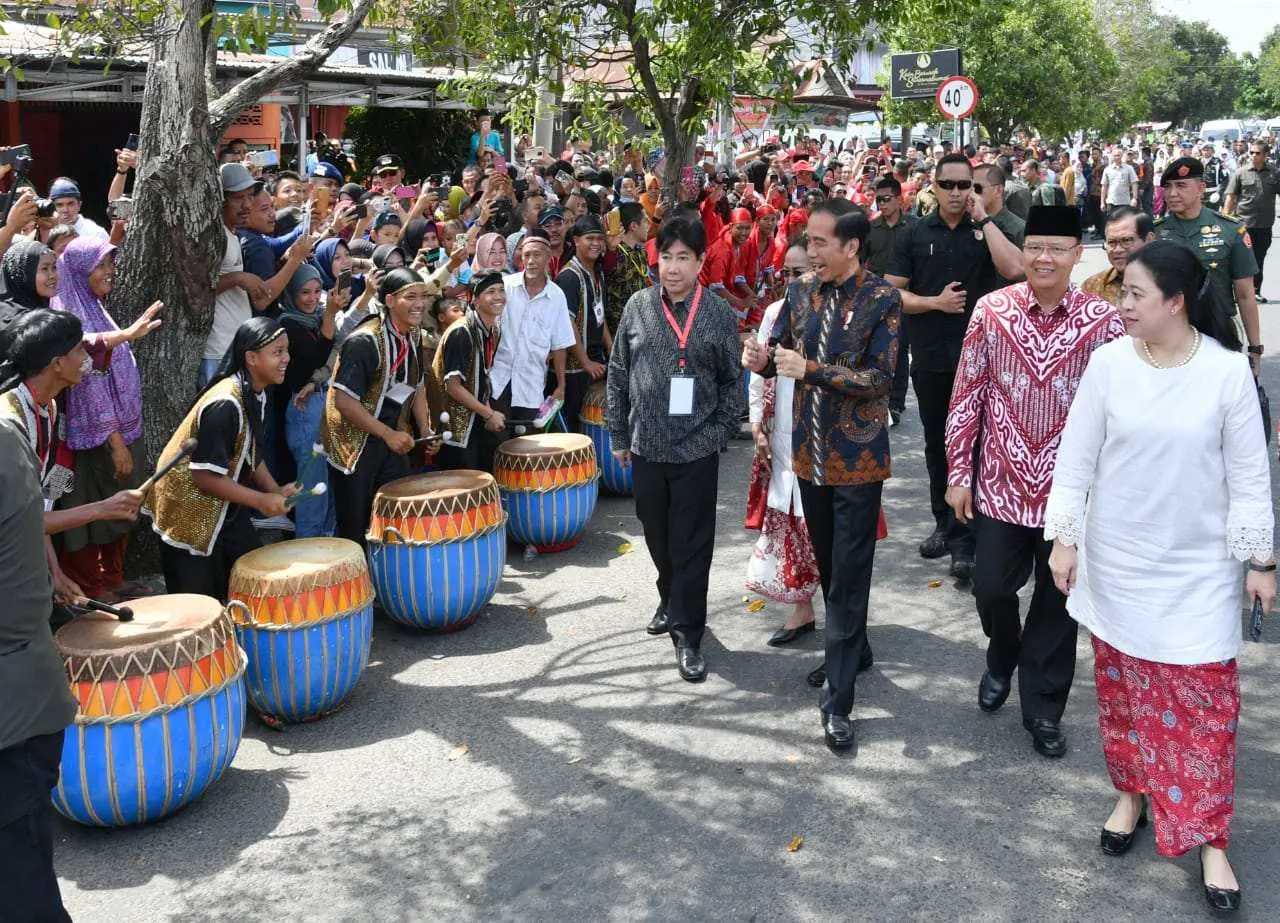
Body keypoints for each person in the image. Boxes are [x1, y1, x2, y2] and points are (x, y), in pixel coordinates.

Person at [1044, 240, 1274, 914]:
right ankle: (1131, 794)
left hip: (1197, 573)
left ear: (1175, 301)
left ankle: (1211, 839)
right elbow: (1077, 456)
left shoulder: (1228, 375)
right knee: (1123, 696)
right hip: (1118, 564)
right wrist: (1066, 539)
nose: (1122, 305)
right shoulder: (1110, 365)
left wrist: (1260, 560)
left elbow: (1250, 477)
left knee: (1206, 711)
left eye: (1135, 294)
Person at [944, 205, 1125, 759]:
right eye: (1035, 247)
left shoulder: (1104, 321)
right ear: (1023, 253)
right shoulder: (991, 311)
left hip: (1070, 495)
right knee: (992, 585)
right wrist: (958, 474)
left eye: (1057, 248)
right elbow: (967, 394)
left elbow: (1118, 412)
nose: (1044, 258)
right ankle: (1002, 652)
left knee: (1056, 602)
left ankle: (1043, 710)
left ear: (1077, 255)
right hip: (999, 482)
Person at [742, 199, 901, 750]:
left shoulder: (883, 299)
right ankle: (851, 646)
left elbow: (879, 378)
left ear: (852, 246)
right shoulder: (800, 290)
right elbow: (779, 347)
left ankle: (838, 703)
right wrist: (759, 358)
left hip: (857, 463)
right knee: (831, 569)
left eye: (820, 242)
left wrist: (810, 369)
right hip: (808, 457)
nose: (810, 250)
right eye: (808, 240)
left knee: (850, 575)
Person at [607, 216, 743, 683]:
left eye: (683, 257)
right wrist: (619, 436)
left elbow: (732, 381)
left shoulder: (718, 313)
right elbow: (619, 373)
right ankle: (670, 596)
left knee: (692, 544)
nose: (673, 268)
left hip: (696, 450)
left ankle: (689, 632)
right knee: (657, 535)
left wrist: (719, 433)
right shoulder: (638, 307)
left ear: (701, 261)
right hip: (646, 445)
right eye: (666, 257)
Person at [884, 153, 1023, 584]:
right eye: (949, 185)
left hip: (983, 361)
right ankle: (944, 523)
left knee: (980, 448)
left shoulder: (989, 230)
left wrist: (984, 222)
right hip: (932, 358)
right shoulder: (912, 233)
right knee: (938, 445)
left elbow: (1016, 269)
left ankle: (971, 537)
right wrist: (934, 303)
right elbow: (890, 296)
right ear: (934, 186)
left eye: (967, 186)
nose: (958, 193)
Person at [0, 320, 81, 923]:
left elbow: (25, 525)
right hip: (16, 706)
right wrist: (103, 508)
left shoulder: (24, 424)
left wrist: (53, 573)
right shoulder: (6, 435)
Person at [147, 317, 297, 599]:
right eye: (277, 352)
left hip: (221, 505)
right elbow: (204, 476)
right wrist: (261, 501)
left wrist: (275, 491)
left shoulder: (256, 393)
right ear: (251, 358)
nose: (286, 358)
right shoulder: (225, 405)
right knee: (198, 606)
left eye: (286, 350)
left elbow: (250, 454)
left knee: (248, 579)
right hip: (189, 510)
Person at [49, 240, 150, 601]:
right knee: (92, 510)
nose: (110, 272)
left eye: (111, 264)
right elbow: (89, 381)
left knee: (122, 506)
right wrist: (115, 440)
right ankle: (91, 586)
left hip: (123, 429)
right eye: (101, 265)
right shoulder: (69, 311)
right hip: (98, 438)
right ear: (78, 271)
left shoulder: (94, 305)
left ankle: (114, 579)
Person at [324, 269, 436, 546]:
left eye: (422, 297)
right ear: (389, 300)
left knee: (397, 512)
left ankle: (392, 580)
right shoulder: (364, 341)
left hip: (390, 434)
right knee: (357, 526)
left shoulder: (414, 334)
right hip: (355, 443)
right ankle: (361, 587)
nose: (419, 303)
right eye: (410, 297)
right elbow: (344, 401)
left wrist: (425, 428)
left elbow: (417, 383)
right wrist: (387, 434)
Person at [745, 240, 821, 643]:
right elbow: (758, 372)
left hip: (824, 442)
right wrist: (757, 424)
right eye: (786, 273)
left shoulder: (834, 312)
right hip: (781, 436)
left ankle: (845, 623)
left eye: (801, 272)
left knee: (823, 523)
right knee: (789, 516)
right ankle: (801, 607)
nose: (792, 280)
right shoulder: (775, 313)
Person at [1154, 157, 1262, 373]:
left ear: (1201, 189)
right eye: (1168, 186)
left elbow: (1245, 295)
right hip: (1167, 335)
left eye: (1181, 186)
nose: (1172, 193)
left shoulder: (1231, 230)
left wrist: (1255, 348)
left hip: (1217, 331)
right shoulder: (1154, 233)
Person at [279, 264, 348, 537]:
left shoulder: (319, 317)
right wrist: (330, 313)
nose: (311, 298)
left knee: (328, 484)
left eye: (317, 291)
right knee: (311, 487)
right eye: (304, 292)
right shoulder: (287, 323)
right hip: (304, 409)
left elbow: (338, 349)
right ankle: (307, 552)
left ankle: (327, 547)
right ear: (292, 293)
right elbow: (317, 356)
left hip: (324, 400)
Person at [490, 231, 574, 430]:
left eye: (537, 255)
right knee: (496, 444)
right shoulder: (505, 286)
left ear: (549, 257)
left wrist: (561, 385)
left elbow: (560, 344)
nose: (531, 261)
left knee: (526, 446)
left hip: (530, 384)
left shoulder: (557, 296)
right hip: (497, 381)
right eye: (526, 255)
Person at [433, 272, 507, 471]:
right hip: (455, 426)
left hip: (476, 418)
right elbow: (453, 387)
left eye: (501, 290)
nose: (499, 296)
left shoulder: (494, 329)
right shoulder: (461, 332)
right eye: (491, 292)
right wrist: (489, 414)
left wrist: (488, 412)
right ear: (473, 300)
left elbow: (482, 376)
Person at [202, 163, 266, 387]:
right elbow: (199, 290)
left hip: (234, 345)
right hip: (218, 350)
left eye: (250, 196)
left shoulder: (231, 233)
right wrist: (239, 278)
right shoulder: (214, 235)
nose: (248, 204)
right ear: (221, 200)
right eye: (239, 198)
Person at [864, 176, 914, 426]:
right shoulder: (871, 229)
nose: (881, 204)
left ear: (899, 199)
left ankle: (895, 401)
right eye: (878, 199)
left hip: (906, 297)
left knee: (900, 349)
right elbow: (859, 262)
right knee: (877, 347)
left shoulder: (914, 227)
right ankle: (876, 396)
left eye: (886, 199)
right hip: (876, 299)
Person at [556, 215, 611, 430]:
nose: (596, 243)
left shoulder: (596, 271)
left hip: (595, 358)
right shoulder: (570, 276)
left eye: (600, 238)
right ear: (576, 240)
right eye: (590, 238)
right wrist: (585, 361)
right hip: (575, 368)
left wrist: (610, 346)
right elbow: (567, 323)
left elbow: (600, 314)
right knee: (577, 426)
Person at [1223, 142, 1278, 303]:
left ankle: (1255, 291)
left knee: (1258, 259)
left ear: (1266, 154)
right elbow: (1231, 196)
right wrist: (1225, 218)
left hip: (1264, 225)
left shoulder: (1275, 173)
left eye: (1257, 153)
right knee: (1240, 258)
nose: (1253, 156)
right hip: (1243, 224)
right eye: (1251, 153)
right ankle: (1234, 291)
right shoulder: (1241, 173)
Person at [1081, 206, 1155, 306]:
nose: (1118, 250)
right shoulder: (1092, 287)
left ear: (1149, 240)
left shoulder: (1170, 283)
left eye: (1126, 240)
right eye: (1111, 242)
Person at [47, 177, 109, 242]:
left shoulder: (95, 233)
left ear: (79, 205)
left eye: (70, 204)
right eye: (60, 205)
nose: (65, 210)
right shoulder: (47, 231)